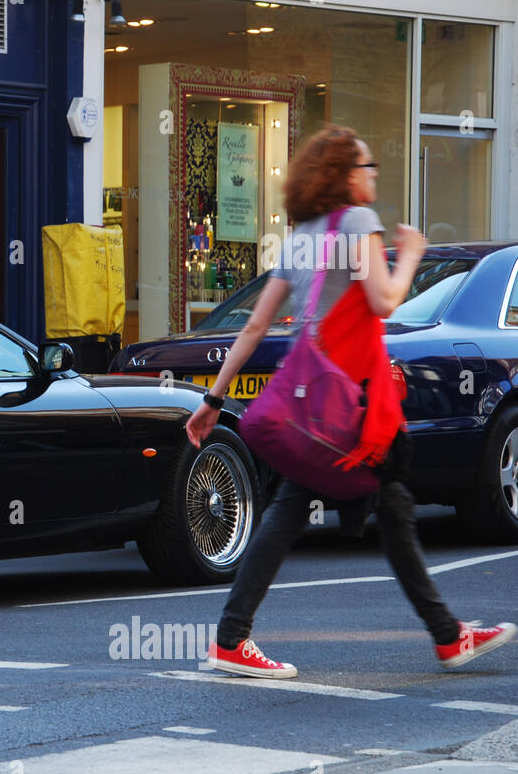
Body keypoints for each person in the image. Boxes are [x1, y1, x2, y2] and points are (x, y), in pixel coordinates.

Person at [185, 127, 514, 678]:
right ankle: (447, 637)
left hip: (313, 403)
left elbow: (257, 324)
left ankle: (232, 638)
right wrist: (410, 254)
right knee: (385, 508)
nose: (373, 175)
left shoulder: (300, 237)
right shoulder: (358, 223)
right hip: (353, 404)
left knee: (319, 508)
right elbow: (384, 301)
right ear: (343, 174)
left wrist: (214, 398)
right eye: (367, 166)